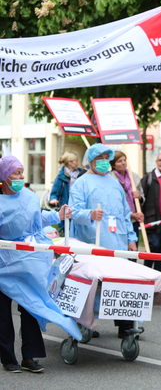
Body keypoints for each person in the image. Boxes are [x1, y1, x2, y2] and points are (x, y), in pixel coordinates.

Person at [0, 153, 80, 374]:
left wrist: (58, 216)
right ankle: (8, 358)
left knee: (31, 306)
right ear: (5, 176)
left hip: (28, 262)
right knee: (3, 314)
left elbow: (37, 219)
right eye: (16, 173)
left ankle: (29, 356)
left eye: (22, 172)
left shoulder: (28, 196)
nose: (21, 176)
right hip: (4, 264)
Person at [69, 143, 138, 338]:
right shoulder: (82, 183)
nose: (104, 163)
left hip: (118, 241)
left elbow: (125, 213)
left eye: (106, 159)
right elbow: (74, 211)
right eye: (99, 159)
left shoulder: (115, 182)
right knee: (91, 283)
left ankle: (125, 326)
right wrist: (90, 214)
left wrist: (131, 239)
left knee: (121, 282)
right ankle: (86, 322)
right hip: (92, 240)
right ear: (90, 161)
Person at [140, 152, 161, 272]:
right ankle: (147, 273)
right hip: (152, 219)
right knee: (153, 246)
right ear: (156, 162)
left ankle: (158, 275)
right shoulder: (148, 177)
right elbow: (141, 198)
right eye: (160, 160)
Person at [109, 151, 145, 243]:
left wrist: (139, 197)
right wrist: (130, 214)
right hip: (119, 220)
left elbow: (142, 196)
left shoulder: (134, 177)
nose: (123, 163)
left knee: (133, 249)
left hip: (134, 220)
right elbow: (112, 203)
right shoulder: (110, 178)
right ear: (113, 165)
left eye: (124, 160)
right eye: (119, 161)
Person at [49, 151, 86, 229]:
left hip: (80, 207)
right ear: (70, 162)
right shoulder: (61, 177)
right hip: (67, 209)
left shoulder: (83, 174)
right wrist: (53, 199)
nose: (78, 163)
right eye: (76, 161)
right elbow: (55, 193)